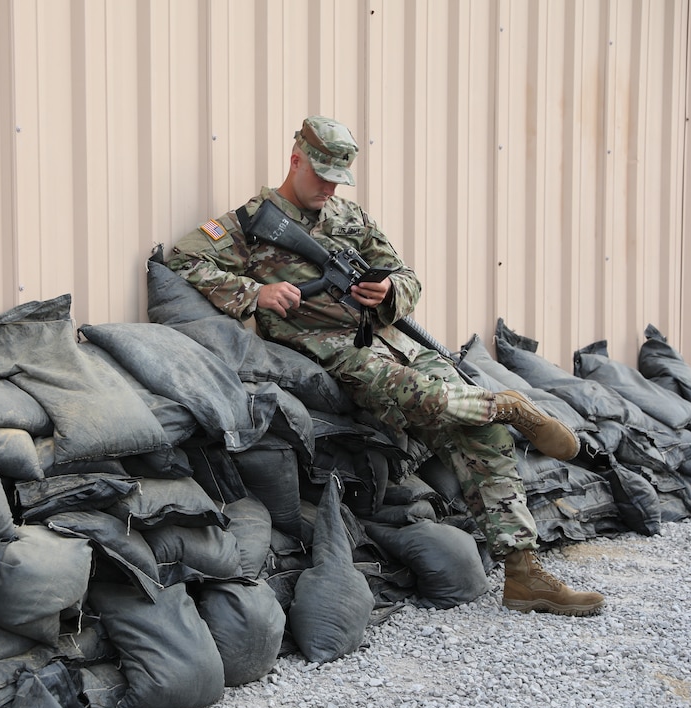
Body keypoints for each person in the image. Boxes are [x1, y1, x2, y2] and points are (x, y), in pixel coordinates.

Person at [166, 115, 604, 617]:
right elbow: (184, 260)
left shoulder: (350, 219)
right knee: (434, 400)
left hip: (395, 343)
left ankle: (524, 574)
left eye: (338, 178)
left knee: (482, 435)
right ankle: (507, 405)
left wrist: (390, 290)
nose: (329, 187)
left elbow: (407, 276)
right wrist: (255, 293)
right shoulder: (248, 225)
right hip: (336, 356)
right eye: (321, 174)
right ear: (295, 160)